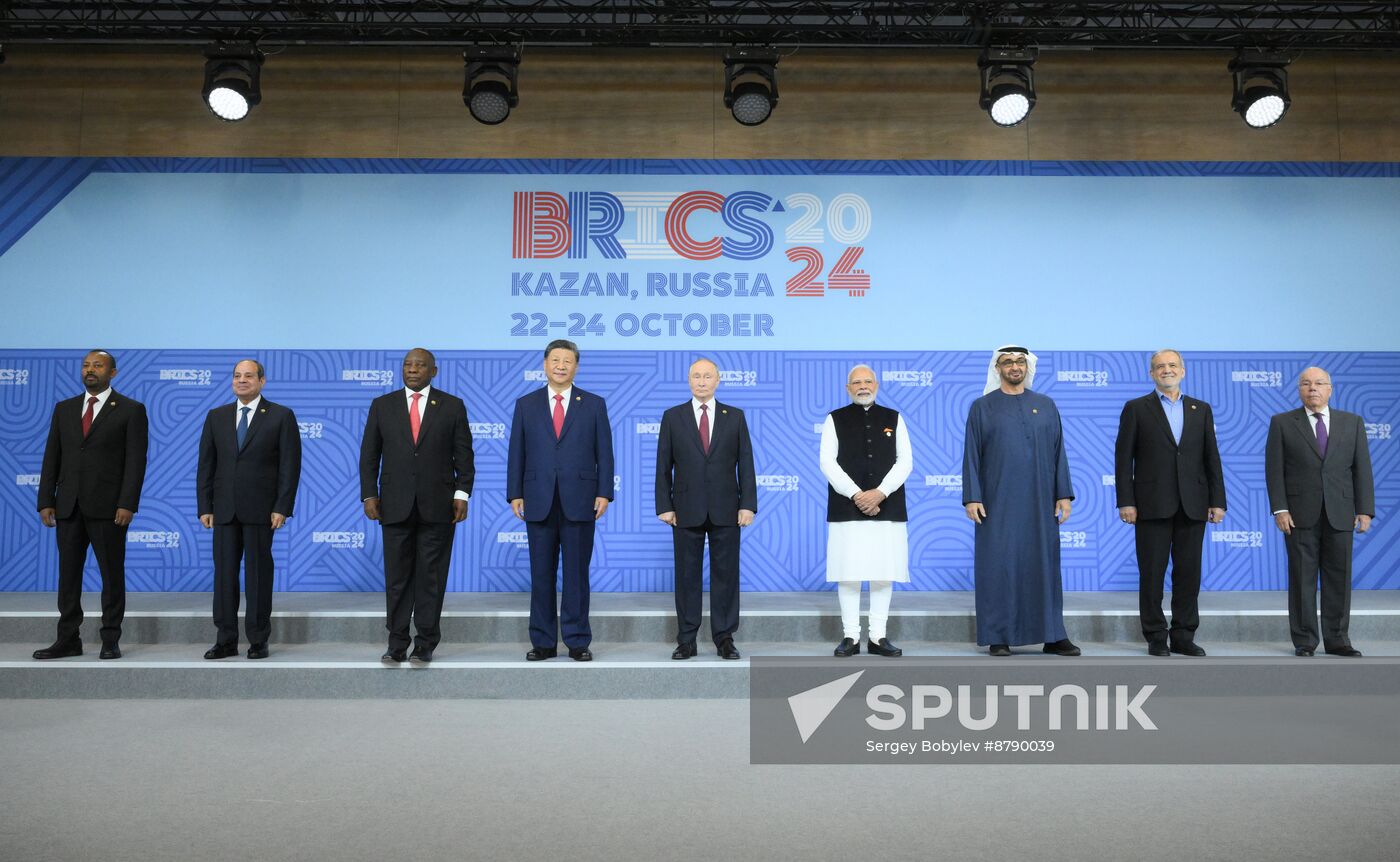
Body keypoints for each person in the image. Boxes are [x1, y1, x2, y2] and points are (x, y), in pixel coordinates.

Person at [359, 348, 474, 664]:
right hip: (393, 506)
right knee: (397, 579)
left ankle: (425, 642)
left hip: (439, 506)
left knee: (431, 578)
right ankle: (396, 642)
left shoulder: (452, 406)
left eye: (420, 365)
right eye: (408, 365)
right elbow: (369, 455)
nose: (412, 369)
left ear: (433, 371)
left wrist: (461, 495)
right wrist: (369, 495)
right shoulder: (382, 406)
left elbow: (464, 456)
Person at [962, 345, 1078, 657]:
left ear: (1027, 367)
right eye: (1008, 362)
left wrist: (1063, 494)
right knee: (998, 565)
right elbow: (971, 455)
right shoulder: (982, 407)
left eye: (1020, 362)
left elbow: (1058, 452)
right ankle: (998, 636)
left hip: (1040, 502)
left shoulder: (1046, 404)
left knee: (1044, 565)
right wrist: (972, 496)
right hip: (996, 502)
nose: (1015, 367)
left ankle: (1053, 635)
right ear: (997, 368)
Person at [34, 350, 148, 660]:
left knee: (111, 575)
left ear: (113, 373)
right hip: (68, 506)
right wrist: (46, 499)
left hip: (110, 509)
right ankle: (68, 639)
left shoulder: (130, 410)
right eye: (86, 365)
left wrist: (127, 503)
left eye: (97, 366)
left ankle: (110, 638)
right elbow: (52, 457)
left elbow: (135, 462)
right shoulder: (65, 409)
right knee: (68, 576)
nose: (90, 370)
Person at [1114, 350, 1226, 657]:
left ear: (1183, 371)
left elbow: (1211, 458)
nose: (1167, 370)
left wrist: (1218, 500)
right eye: (1160, 367)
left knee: (1188, 573)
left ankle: (1183, 635)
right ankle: (1154, 635)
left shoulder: (1200, 409)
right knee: (1152, 572)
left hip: (1194, 504)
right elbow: (1123, 460)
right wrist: (1126, 501)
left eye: (1172, 365)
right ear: (1151, 374)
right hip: (1150, 504)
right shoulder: (1136, 408)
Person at [508, 339, 614, 662]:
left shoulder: (593, 404)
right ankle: (542, 641)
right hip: (538, 499)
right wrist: (515, 492)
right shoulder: (526, 404)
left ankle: (578, 640)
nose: (561, 366)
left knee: (576, 575)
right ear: (545, 364)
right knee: (541, 574)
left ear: (576, 367)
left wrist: (604, 492)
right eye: (555, 360)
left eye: (568, 361)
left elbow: (605, 454)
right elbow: (517, 452)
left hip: (581, 500)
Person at [1265, 367, 1375, 657]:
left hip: (1340, 512)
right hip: (1298, 513)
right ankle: (1305, 640)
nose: (1312, 388)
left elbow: (1362, 468)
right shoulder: (1282, 423)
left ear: (1330, 389)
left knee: (1339, 577)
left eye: (1319, 383)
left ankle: (1338, 639)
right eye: (1306, 384)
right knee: (1301, 577)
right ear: (1299, 390)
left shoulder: (1352, 423)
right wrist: (1280, 508)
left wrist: (1365, 510)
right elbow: (1274, 471)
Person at [196, 359, 302, 660]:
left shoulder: (281, 416)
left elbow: (289, 467)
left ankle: (258, 640)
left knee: (257, 577)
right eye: (237, 376)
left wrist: (282, 506)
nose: (242, 380)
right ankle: (225, 640)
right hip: (224, 511)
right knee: (224, 578)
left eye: (249, 376)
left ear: (262, 381)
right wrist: (205, 505)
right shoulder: (216, 416)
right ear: (232, 381)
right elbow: (206, 465)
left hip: (262, 511)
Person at [655, 357, 757, 660]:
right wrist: (665, 505)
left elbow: (746, 464)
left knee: (726, 575)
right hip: (685, 508)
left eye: (707, 376)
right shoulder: (673, 416)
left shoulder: (735, 416)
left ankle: (724, 637)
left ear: (717, 380)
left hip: (727, 508)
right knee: (687, 576)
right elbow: (663, 466)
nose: (701, 381)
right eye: (696, 376)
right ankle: (686, 639)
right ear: (689, 380)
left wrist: (748, 504)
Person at [820, 364, 913, 658]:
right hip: (847, 505)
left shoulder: (894, 418)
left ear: (877, 385)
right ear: (848, 388)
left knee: (882, 572)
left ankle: (878, 636)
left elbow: (905, 462)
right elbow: (827, 463)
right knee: (848, 573)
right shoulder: (834, 419)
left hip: (888, 505)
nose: (863, 386)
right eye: (856, 382)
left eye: (867, 381)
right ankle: (850, 636)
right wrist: (858, 495)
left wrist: (880, 493)